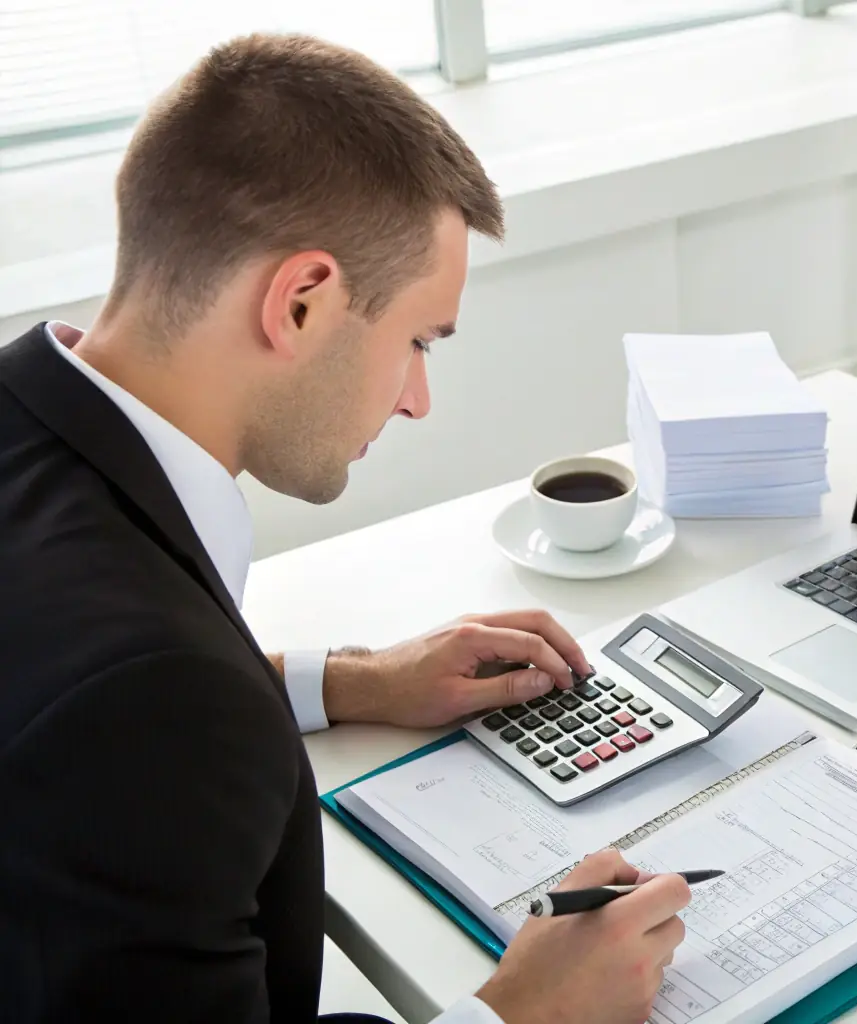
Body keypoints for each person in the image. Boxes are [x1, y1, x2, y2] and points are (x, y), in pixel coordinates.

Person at [0, 33, 689, 1024]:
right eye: (417, 340)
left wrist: (354, 679)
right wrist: (521, 1011)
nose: (417, 401)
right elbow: (130, 713)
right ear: (303, 301)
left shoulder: (33, 426)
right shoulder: (152, 700)